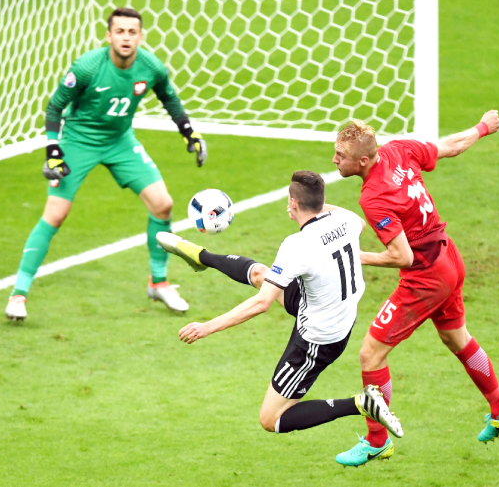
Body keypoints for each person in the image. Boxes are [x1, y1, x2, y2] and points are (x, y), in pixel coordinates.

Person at [158, 171, 403, 456]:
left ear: (293, 204)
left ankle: (360, 403)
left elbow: (262, 304)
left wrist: (207, 327)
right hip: (334, 308)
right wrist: (318, 205)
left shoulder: (297, 245)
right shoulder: (346, 220)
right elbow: (358, 222)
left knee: (271, 418)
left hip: (317, 339)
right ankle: (203, 257)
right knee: (263, 274)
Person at [331, 111, 499, 467]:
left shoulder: (373, 197)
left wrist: (353, 256)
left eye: (339, 155)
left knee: (370, 354)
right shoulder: (399, 149)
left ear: (361, 161)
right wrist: (482, 128)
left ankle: (377, 441)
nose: (334, 160)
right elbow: (449, 146)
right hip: (450, 257)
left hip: (426, 276)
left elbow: (401, 257)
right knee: (456, 338)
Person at [5, 7, 207, 320]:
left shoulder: (150, 66)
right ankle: (18, 295)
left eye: (132, 32)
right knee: (56, 214)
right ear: (108, 35)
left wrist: (189, 133)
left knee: (163, 204)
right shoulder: (87, 67)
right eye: (120, 31)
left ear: (141, 36)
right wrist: (53, 151)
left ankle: (159, 282)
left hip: (120, 141)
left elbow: (169, 97)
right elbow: (55, 107)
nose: (126, 37)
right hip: (78, 142)